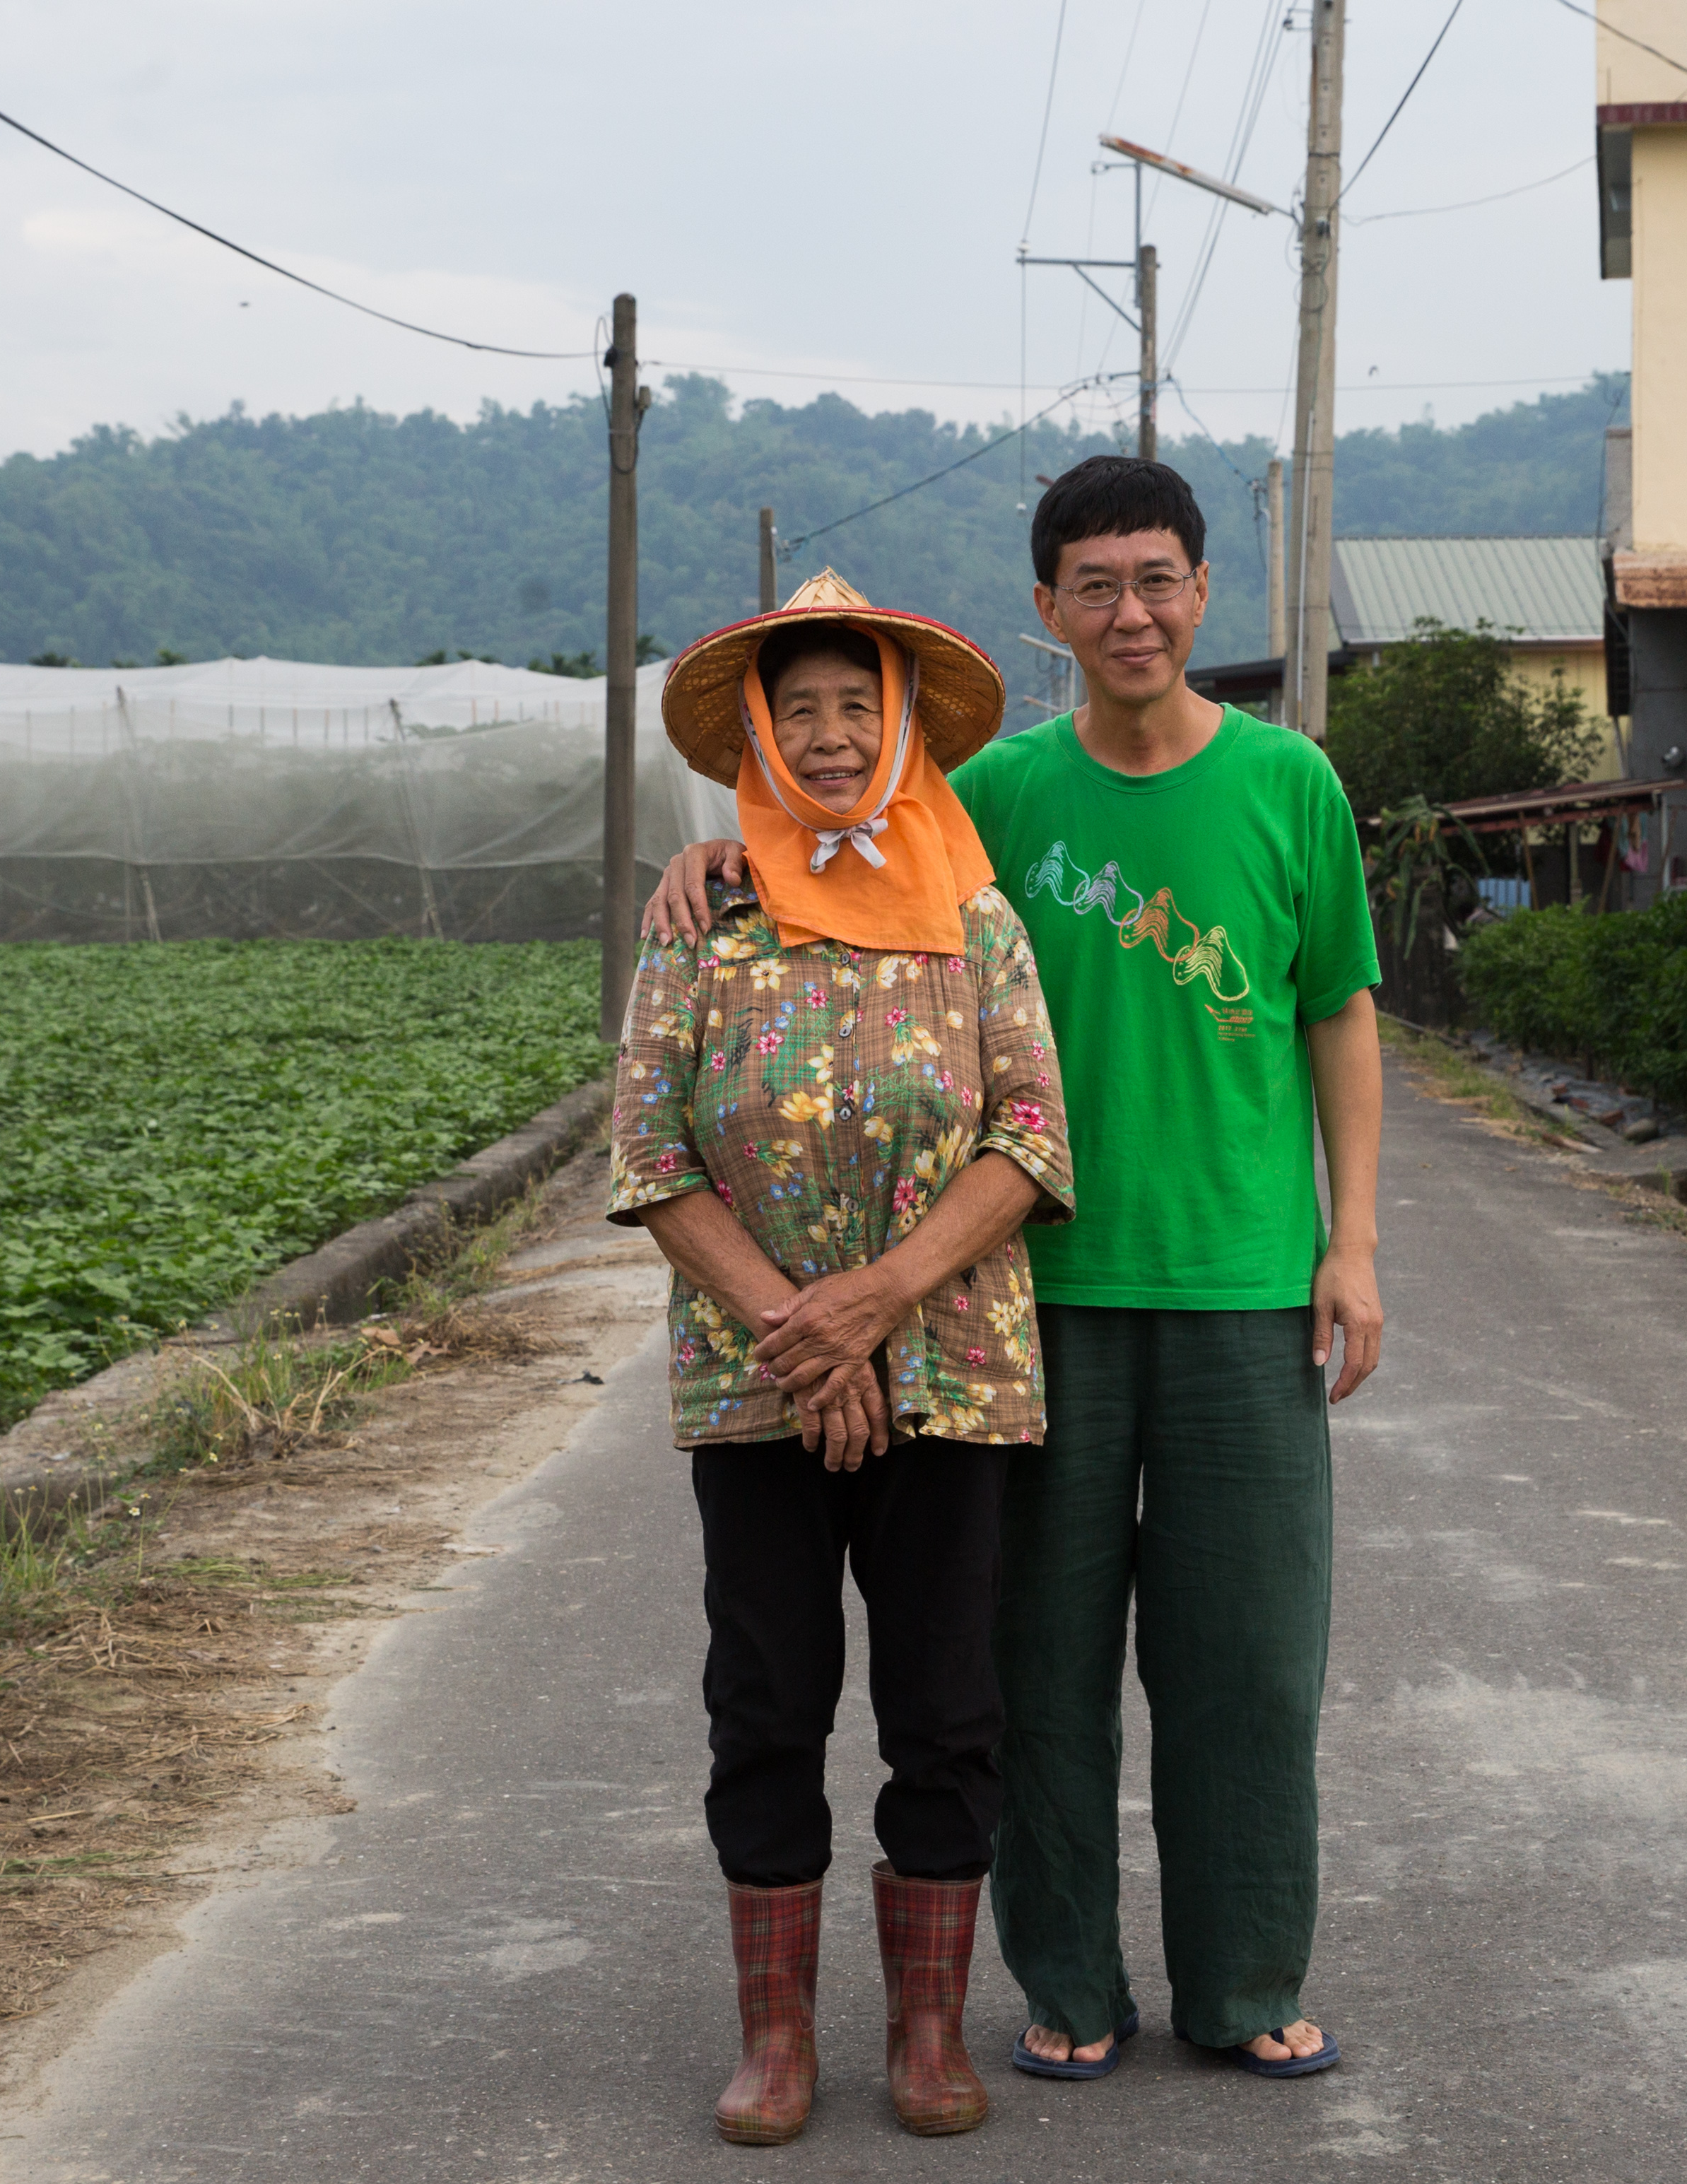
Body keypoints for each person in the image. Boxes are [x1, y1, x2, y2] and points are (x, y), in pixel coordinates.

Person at [646, 456, 1384, 2083]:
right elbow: (835, 845)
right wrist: (707, 861)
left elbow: (1337, 1005)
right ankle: (1062, 1986)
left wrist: (1353, 1243)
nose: (1132, 610)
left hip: (1242, 1284)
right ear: (1045, 612)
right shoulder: (991, 802)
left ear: (1203, 592)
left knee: (1248, 1663)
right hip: (1029, 1309)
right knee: (1034, 1667)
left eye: (1159, 579)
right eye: (1095, 585)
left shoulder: (1291, 787)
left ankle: (1247, 1984)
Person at [608, 570, 1074, 2146]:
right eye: (793, 709)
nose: (823, 736)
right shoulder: (700, 914)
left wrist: (874, 1300)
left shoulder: (977, 917)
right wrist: (799, 1333)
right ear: (755, 730)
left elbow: (1028, 1139)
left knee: (946, 1701)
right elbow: (651, 1152)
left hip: (948, 1365)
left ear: (896, 733)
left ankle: (929, 2038)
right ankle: (778, 2041)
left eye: (852, 709)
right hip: (755, 1381)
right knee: (766, 1694)